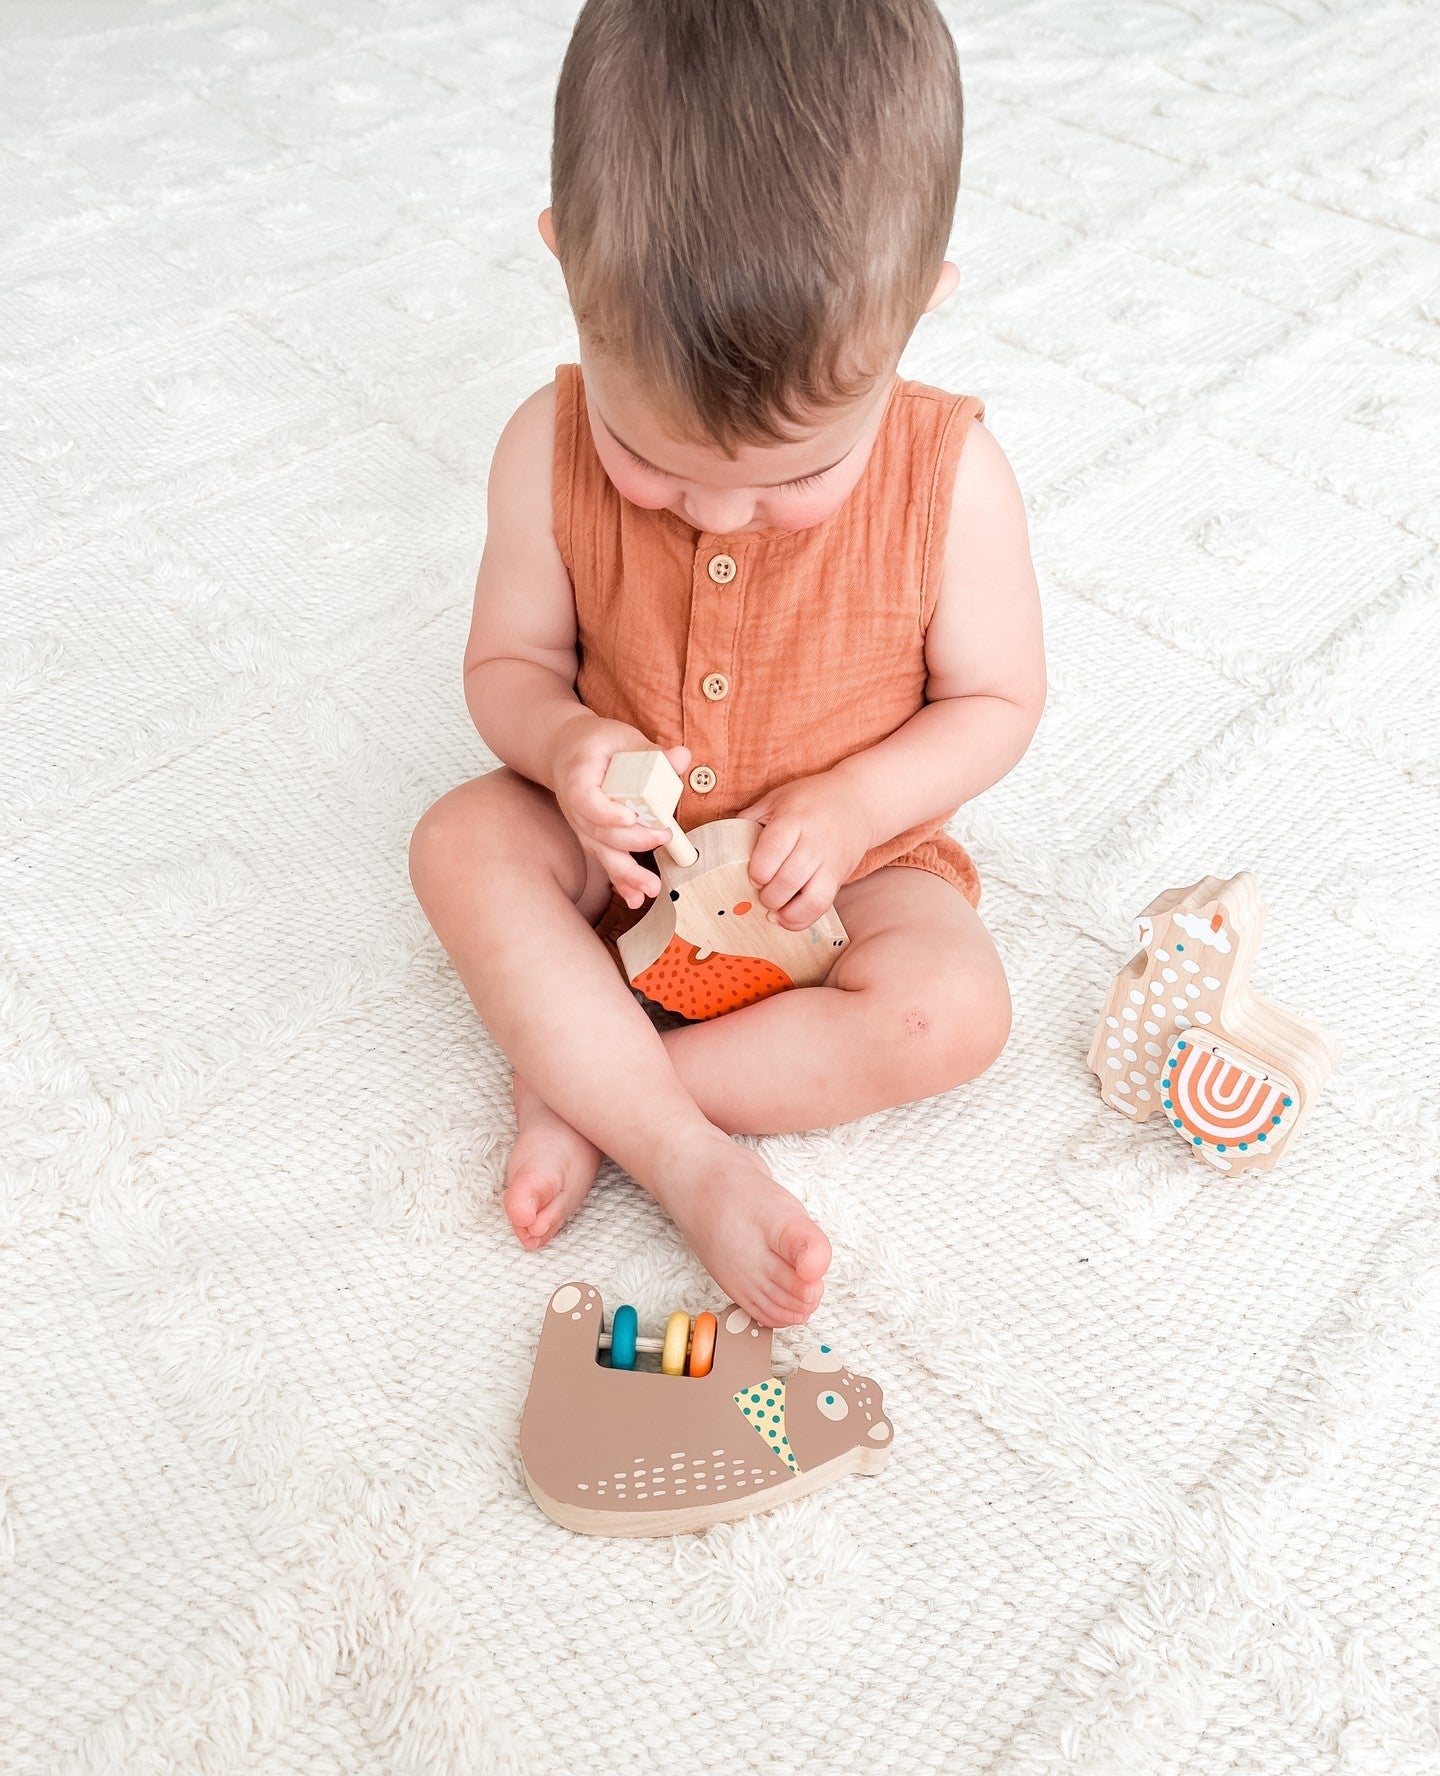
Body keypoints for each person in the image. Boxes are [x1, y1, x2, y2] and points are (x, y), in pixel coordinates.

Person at [408, 0, 1046, 1328]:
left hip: (845, 878)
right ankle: (683, 1155)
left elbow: (996, 702)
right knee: (460, 843)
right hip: (620, 854)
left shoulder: (954, 479)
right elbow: (509, 664)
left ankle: (593, 1082)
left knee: (956, 1010)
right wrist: (566, 749)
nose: (712, 515)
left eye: (798, 475)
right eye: (654, 462)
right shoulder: (545, 441)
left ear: (919, 312)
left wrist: (862, 804)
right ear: (567, 267)